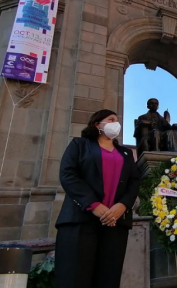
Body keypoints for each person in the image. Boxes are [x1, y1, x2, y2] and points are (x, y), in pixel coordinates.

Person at [55, 109, 141, 288]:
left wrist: (123, 205)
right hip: (81, 220)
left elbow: (134, 182)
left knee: (108, 277)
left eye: (117, 120)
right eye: (111, 119)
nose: (115, 123)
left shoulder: (125, 153)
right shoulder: (80, 144)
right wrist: (92, 204)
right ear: (97, 124)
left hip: (115, 223)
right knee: (75, 277)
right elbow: (68, 175)